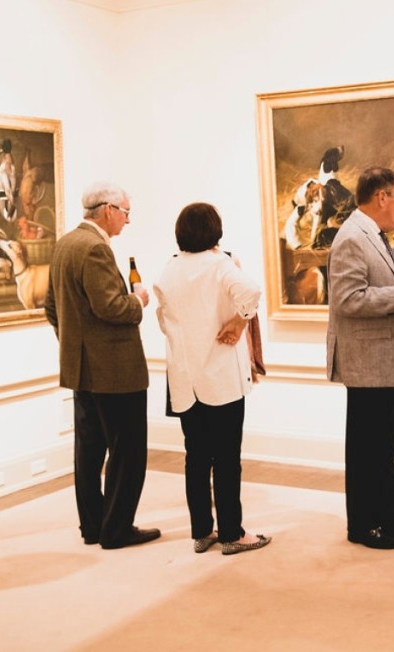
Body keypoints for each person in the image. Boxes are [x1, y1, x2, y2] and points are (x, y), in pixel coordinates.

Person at [45, 181, 160, 550]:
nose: (127, 220)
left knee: (89, 451)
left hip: (82, 370)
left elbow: (51, 307)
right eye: (126, 212)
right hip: (114, 371)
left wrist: (76, 346)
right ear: (108, 209)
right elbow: (112, 307)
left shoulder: (65, 244)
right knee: (127, 451)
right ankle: (117, 529)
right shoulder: (95, 248)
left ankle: (93, 526)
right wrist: (138, 300)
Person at [154, 202, 271, 556]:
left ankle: (202, 531)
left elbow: (164, 321)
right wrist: (238, 322)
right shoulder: (220, 264)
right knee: (226, 458)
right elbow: (251, 292)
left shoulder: (169, 270)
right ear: (214, 231)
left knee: (196, 457)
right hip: (220, 375)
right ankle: (233, 533)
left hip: (185, 377)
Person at [326, 166, 394, 550]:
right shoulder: (352, 237)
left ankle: (388, 515)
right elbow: (348, 300)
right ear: (382, 197)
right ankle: (362, 523)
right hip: (369, 359)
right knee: (367, 447)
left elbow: (381, 277)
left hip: (385, 356)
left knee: (382, 444)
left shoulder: (373, 234)